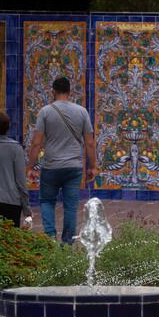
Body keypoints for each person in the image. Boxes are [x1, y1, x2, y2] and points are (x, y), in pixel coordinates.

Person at [26, 76, 96, 245]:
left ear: (53, 92)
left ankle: (50, 238)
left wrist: (30, 166)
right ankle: (67, 244)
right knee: (70, 206)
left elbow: (36, 143)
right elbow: (90, 143)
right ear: (69, 92)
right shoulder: (82, 112)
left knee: (47, 201)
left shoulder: (45, 112)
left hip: (51, 167)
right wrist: (93, 167)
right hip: (73, 167)